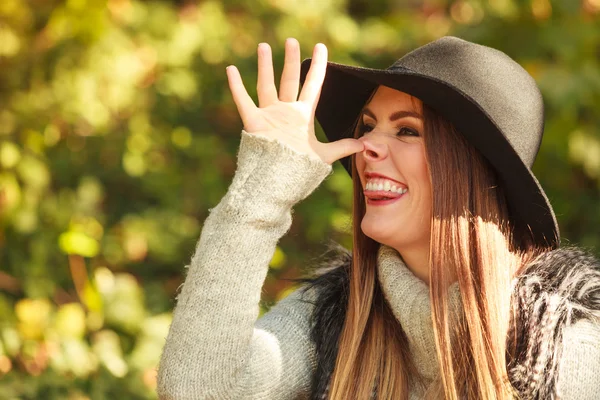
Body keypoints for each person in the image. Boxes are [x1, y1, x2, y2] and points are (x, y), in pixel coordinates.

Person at [156, 37, 600, 399]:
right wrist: (262, 192)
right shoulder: (334, 317)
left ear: (473, 169)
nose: (367, 145)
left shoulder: (569, 347)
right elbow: (199, 388)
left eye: (406, 129)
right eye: (368, 126)